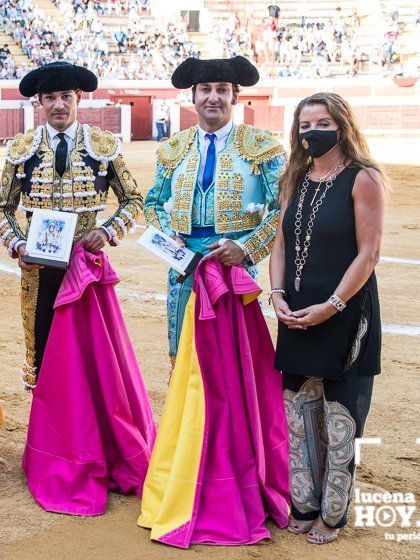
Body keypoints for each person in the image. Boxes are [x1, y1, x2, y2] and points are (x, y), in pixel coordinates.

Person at [138, 56, 290, 549]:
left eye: (222, 89)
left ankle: (233, 470)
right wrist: (176, 249)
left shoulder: (262, 148)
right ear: (192, 96)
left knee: (232, 372)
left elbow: (283, 208)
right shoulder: (174, 149)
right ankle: (189, 468)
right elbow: (153, 204)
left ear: (235, 96)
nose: (213, 98)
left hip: (231, 276)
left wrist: (246, 247)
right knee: (184, 367)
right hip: (185, 273)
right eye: (205, 89)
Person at [0, 61, 154, 516]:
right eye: (50, 98)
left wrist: (109, 230)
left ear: (79, 100)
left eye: (66, 97)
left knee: (92, 358)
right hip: (39, 270)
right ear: (39, 103)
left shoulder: (102, 147)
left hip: (86, 266)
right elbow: (1, 206)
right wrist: (17, 241)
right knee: (46, 356)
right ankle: (53, 449)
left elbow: (135, 199)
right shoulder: (21, 149)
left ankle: (94, 444)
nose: (58, 104)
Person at [270, 92, 386, 545]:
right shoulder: (294, 177)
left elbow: (369, 252)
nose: (312, 132)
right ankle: (303, 502)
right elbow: (280, 244)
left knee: (340, 414)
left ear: (342, 126)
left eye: (322, 123)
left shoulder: (363, 178)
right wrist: (277, 294)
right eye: (305, 125)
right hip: (297, 307)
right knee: (299, 411)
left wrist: (332, 305)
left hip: (345, 309)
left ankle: (333, 513)